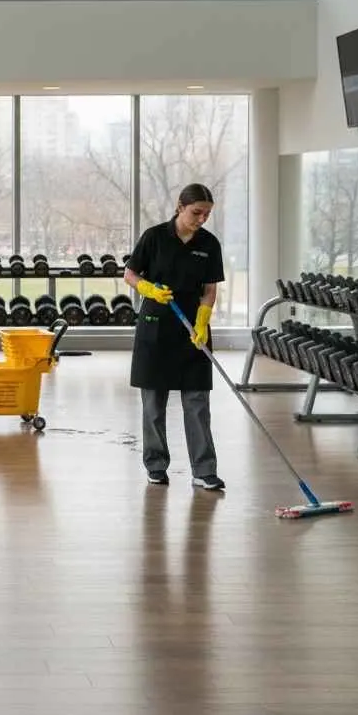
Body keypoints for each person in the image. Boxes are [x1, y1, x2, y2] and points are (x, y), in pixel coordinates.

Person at [123, 182, 226, 491]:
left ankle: (204, 470)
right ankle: (156, 465)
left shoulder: (209, 244)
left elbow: (209, 289)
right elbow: (130, 274)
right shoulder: (155, 237)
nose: (202, 219)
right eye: (197, 212)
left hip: (192, 330)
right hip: (156, 325)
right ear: (180, 207)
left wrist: (204, 317)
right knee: (154, 402)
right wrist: (148, 289)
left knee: (197, 401)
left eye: (207, 214)